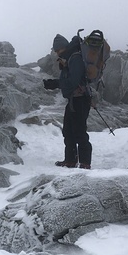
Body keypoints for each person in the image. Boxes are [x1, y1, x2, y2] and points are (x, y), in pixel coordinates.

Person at [43, 34, 92, 169]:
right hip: (73, 99)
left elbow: (73, 81)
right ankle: (70, 160)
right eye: (56, 51)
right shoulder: (69, 59)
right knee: (68, 131)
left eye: (58, 50)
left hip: (80, 99)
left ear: (64, 47)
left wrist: (56, 83)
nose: (57, 53)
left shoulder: (75, 58)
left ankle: (85, 163)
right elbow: (70, 79)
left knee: (80, 131)